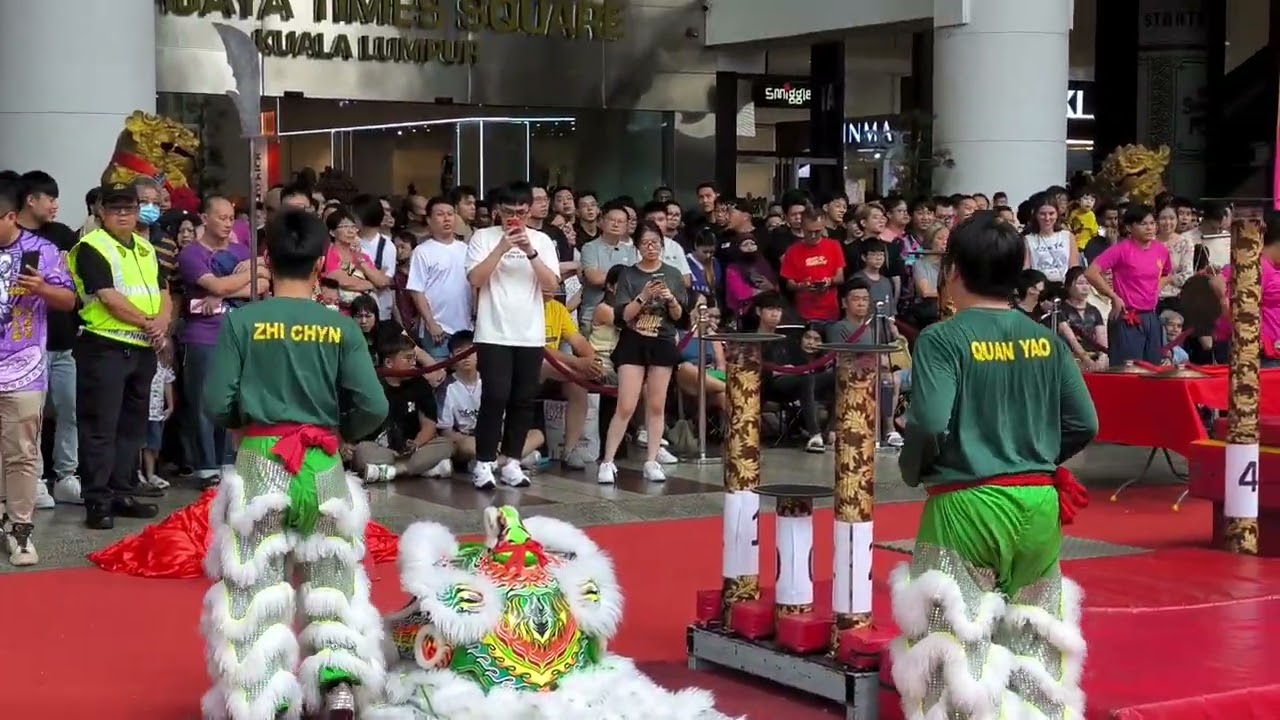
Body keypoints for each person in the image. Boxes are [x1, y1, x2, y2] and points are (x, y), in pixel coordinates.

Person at [890, 212, 1097, 720]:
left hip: (968, 505)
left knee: (955, 645)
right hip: (1039, 503)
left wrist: (916, 468)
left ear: (954, 269)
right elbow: (1085, 423)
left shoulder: (943, 338)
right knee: (1036, 636)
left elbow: (929, 423)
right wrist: (1038, 456)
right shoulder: (1045, 339)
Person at [199, 208, 389, 719]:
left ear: (265, 258)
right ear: (323, 261)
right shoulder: (339, 326)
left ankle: (261, 699)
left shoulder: (243, 321)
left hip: (263, 461)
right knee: (333, 579)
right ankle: (340, 685)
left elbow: (216, 401)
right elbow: (374, 405)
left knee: (255, 584)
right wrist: (340, 433)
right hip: (324, 461)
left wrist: (248, 419)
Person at [69, 183, 171, 529]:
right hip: (105, 347)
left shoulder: (144, 247)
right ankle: (97, 500)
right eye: (115, 209)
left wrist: (162, 322)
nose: (123, 214)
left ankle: (122, 492)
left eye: (129, 207)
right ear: (101, 211)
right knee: (100, 428)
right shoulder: (90, 247)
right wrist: (149, 323)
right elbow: (109, 297)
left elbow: (163, 289)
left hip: (142, 348)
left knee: (132, 426)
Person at [0, 175, 76, 565]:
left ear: (10, 216)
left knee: (21, 453)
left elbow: (69, 299)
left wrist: (41, 288)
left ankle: (21, 532)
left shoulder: (43, 251)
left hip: (24, 369)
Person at [465, 181, 560, 489]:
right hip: (493, 330)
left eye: (520, 212)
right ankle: (483, 462)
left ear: (529, 209)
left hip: (530, 333)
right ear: (498, 211)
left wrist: (529, 251)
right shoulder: (482, 237)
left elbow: (552, 285)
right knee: (495, 395)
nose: (514, 219)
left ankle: (513, 461)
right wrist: (503, 247)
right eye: (508, 212)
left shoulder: (542, 240)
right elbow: (475, 279)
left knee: (523, 399)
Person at [597, 221, 687, 485]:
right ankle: (607, 461)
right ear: (637, 246)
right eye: (646, 243)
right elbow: (624, 315)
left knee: (657, 404)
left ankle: (652, 460)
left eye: (656, 243)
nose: (651, 248)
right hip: (633, 341)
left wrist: (670, 299)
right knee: (626, 404)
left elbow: (679, 316)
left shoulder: (672, 273)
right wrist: (643, 296)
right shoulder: (628, 275)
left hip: (663, 340)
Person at [352, 335, 454, 482]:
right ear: (388, 362)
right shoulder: (370, 382)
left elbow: (429, 423)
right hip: (380, 448)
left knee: (447, 444)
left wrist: (417, 443)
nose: (414, 363)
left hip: (412, 449)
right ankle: (423, 468)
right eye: (408, 359)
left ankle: (393, 471)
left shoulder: (420, 383)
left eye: (414, 358)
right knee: (361, 453)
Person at [1084, 204, 1169, 366]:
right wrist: (1113, 296)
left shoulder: (1161, 250)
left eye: (1152, 223)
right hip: (1127, 314)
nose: (1150, 228)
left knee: (1153, 368)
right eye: (1143, 224)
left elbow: (1167, 273)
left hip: (1151, 315)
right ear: (1130, 227)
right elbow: (1091, 272)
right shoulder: (1121, 249)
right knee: (1128, 368)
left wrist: (1156, 289)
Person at [139, 345, 175, 490]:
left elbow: (168, 384)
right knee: (138, 444)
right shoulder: (140, 363)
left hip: (156, 413)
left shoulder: (163, 366)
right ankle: (136, 474)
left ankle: (151, 474)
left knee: (152, 446)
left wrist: (171, 406)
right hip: (140, 410)